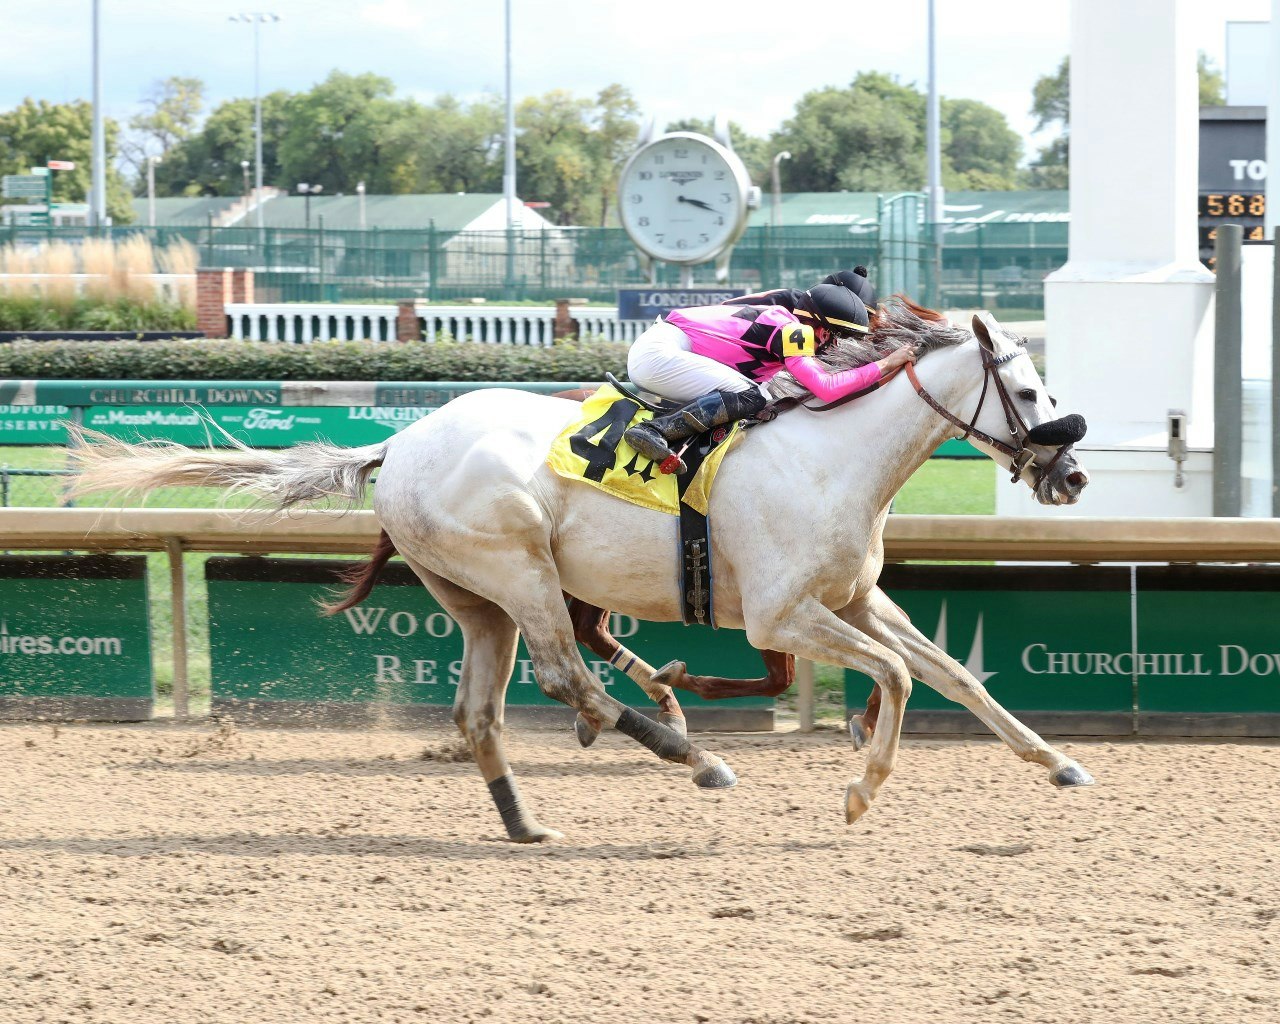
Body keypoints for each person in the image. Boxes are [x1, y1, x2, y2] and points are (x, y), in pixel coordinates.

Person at [622, 283, 916, 473]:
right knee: (754, 396)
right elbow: (825, 388)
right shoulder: (793, 331)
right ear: (823, 329)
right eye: (839, 339)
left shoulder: (786, 326)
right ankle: (654, 431)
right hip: (659, 354)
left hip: (663, 350)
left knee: (755, 394)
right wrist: (888, 363)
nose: (836, 348)